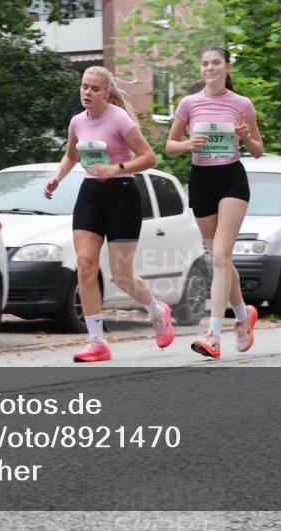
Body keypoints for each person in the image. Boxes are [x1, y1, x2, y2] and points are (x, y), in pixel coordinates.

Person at [44, 66, 175, 362]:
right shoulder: (77, 122)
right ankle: (97, 342)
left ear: (106, 93)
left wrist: (115, 169)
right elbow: (71, 155)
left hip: (123, 195)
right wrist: (57, 177)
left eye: (94, 88)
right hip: (90, 194)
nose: (87, 92)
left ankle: (156, 309)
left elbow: (149, 158)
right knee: (85, 265)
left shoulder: (119, 119)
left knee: (121, 275)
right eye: (84, 86)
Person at [165, 46, 264, 359]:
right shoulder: (189, 103)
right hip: (201, 182)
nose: (209, 68)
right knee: (221, 259)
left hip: (232, 179)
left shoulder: (242, 104)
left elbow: (259, 150)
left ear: (227, 67)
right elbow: (169, 146)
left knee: (221, 255)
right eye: (205, 63)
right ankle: (243, 315)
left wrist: (246, 136)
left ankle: (213, 334)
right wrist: (188, 144)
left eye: (216, 63)